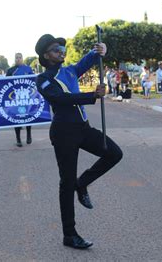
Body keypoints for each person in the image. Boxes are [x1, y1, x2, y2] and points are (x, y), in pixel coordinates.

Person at [35, 34, 123, 249]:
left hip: (83, 129)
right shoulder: (44, 79)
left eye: (62, 48)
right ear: (46, 56)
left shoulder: (70, 71)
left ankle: (82, 183)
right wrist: (91, 96)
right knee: (66, 184)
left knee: (114, 153)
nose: (61, 52)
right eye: (56, 49)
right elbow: (59, 99)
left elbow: (89, 59)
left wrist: (100, 49)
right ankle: (70, 234)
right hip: (63, 133)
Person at [6, 53, 34, 146]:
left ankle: (29, 135)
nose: (18, 59)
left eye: (19, 57)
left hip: (26, 98)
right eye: (16, 58)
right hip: (15, 99)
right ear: (14, 59)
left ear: (22, 58)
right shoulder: (10, 70)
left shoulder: (28, 69)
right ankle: (18, 139)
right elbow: (5, 84)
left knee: (28, 116)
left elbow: (33, 81)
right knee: (16, 117)